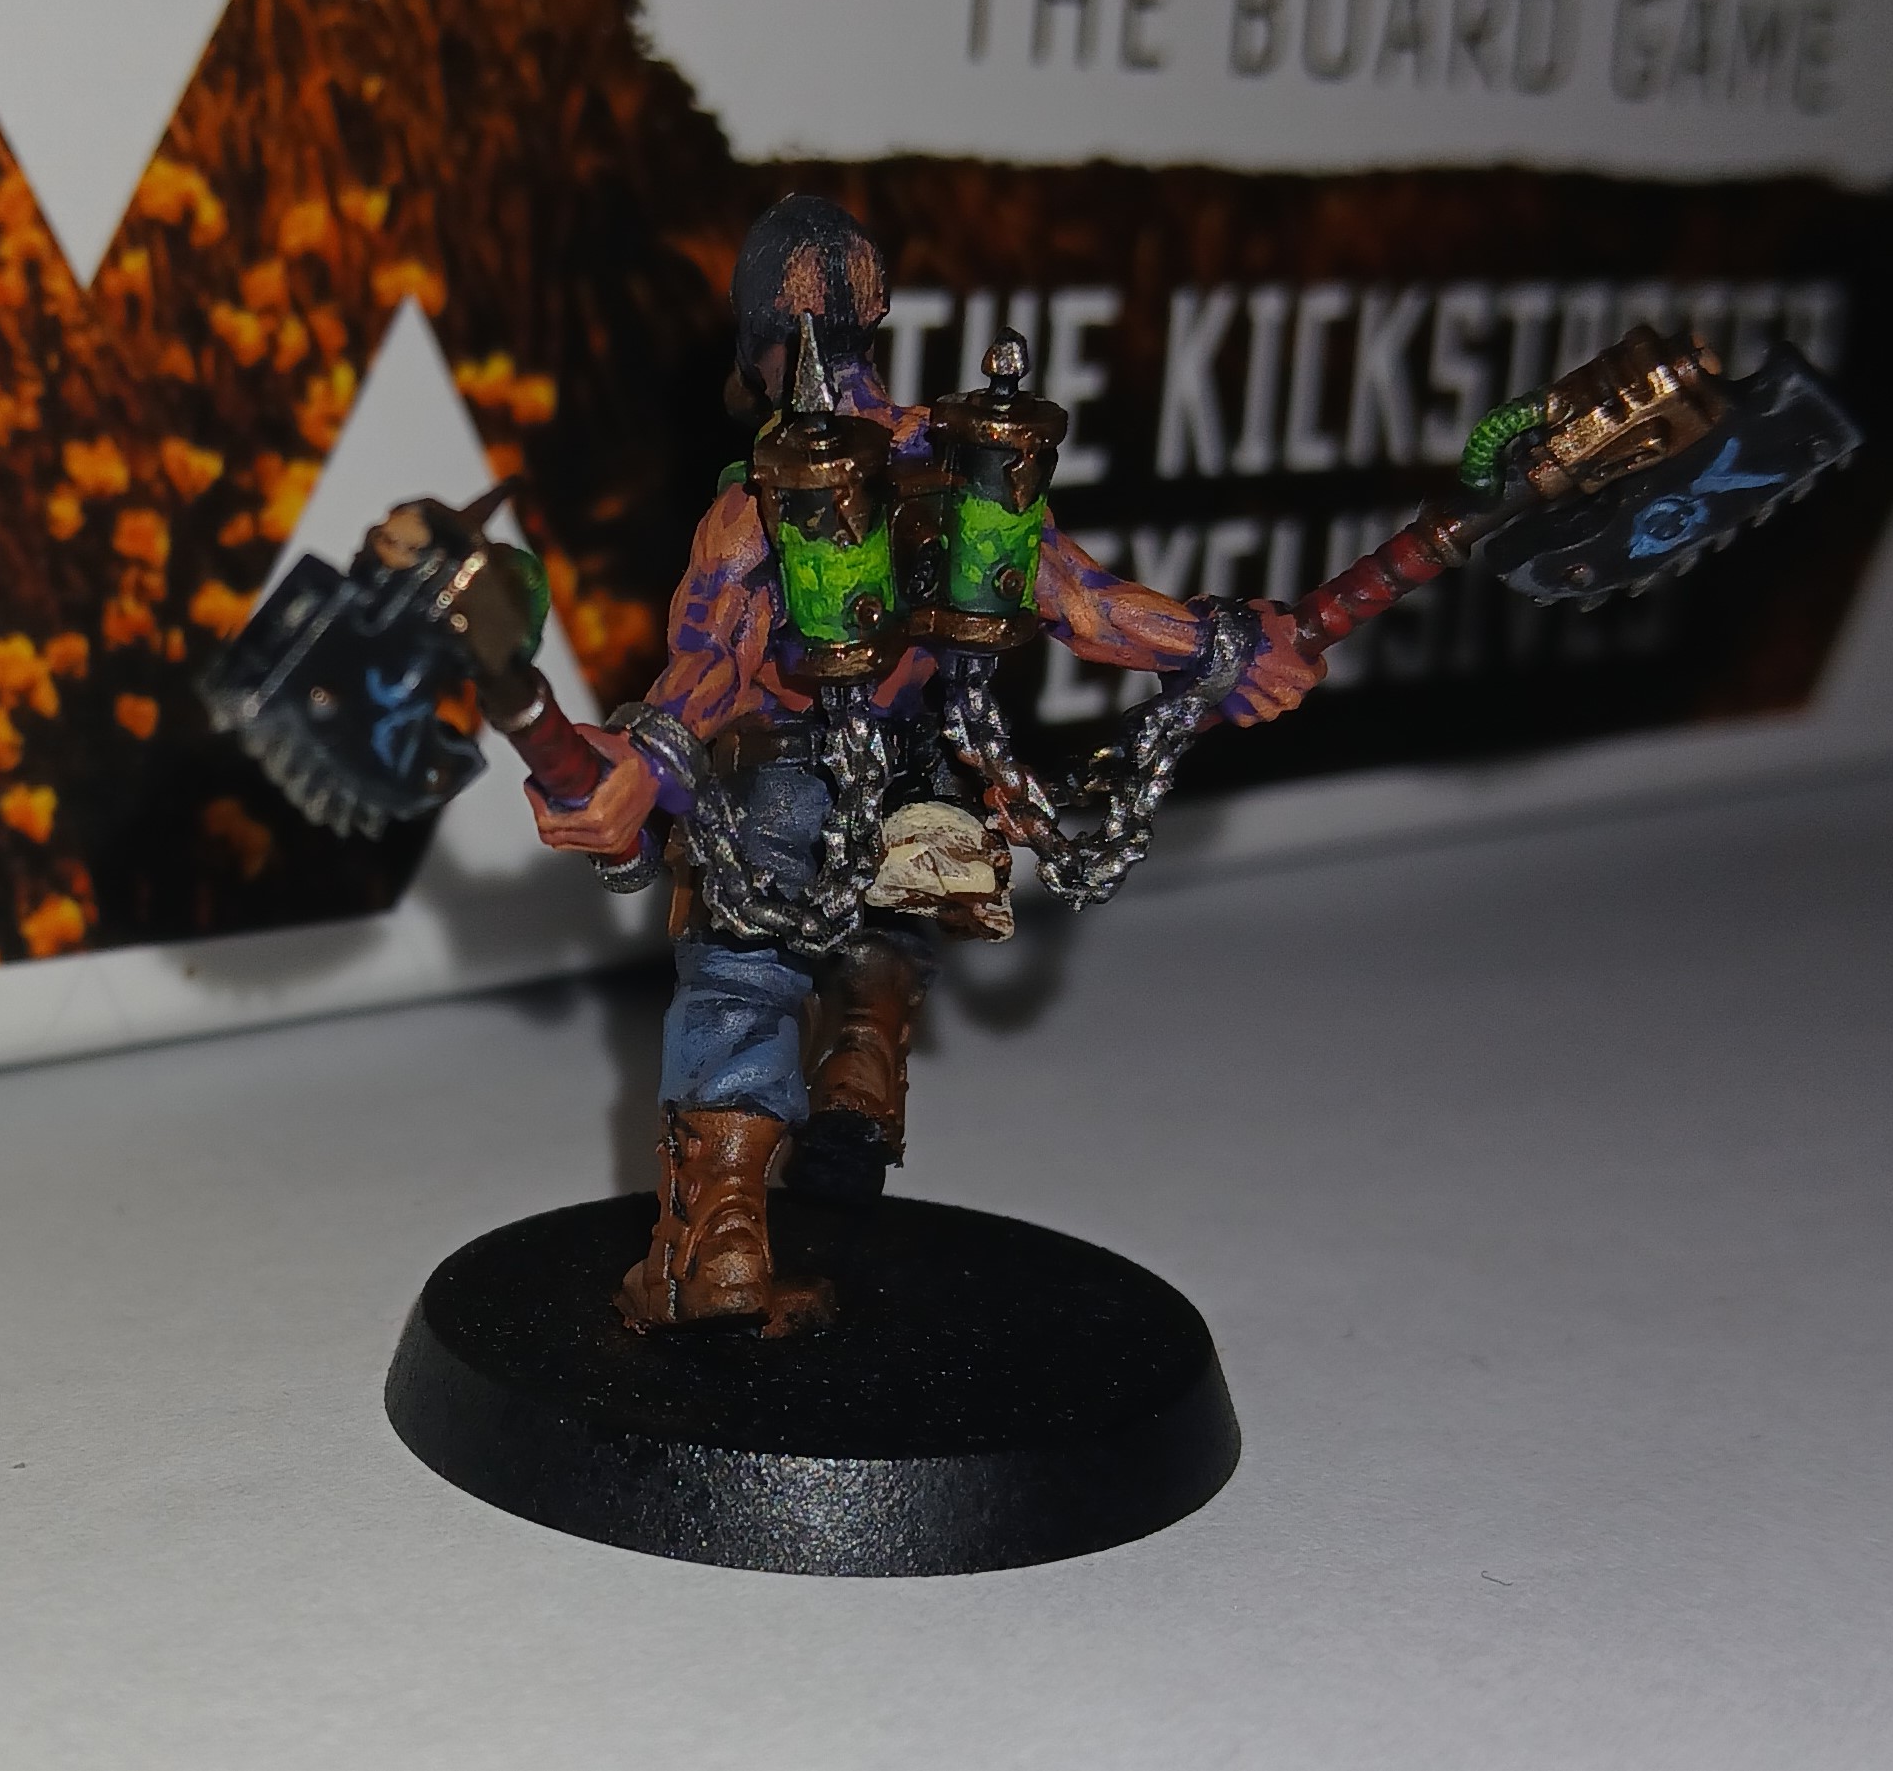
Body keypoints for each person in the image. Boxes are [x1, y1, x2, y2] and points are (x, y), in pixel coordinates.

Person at [527, 195, 1324, 1333]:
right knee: (893, 915)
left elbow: (709, 666)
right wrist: (1226, 644)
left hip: (778, 776)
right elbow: (1087, 606)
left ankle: (716, 1251)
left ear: (756, 340)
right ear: (879, 316)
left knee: (741, 977)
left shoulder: (759, 496)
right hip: (921, 766)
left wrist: (638, 763)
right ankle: (862, 1068)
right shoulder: (958, 459)